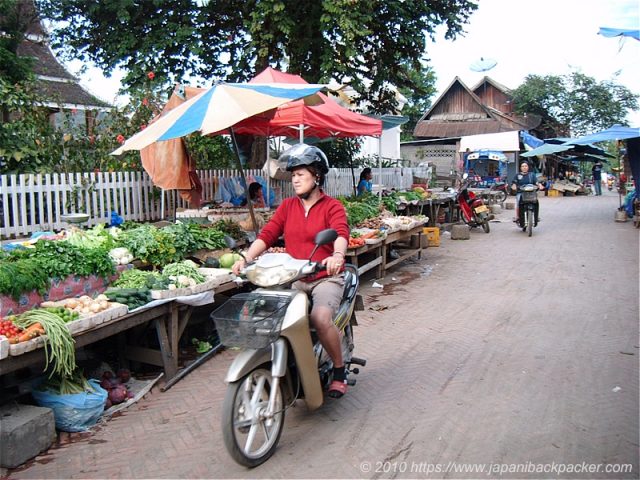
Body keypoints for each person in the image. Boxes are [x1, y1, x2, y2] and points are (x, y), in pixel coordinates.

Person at [232, 143, 351, 398]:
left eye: (300, 174)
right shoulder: (287, 207)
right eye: (293, 175)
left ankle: (339, 370)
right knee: (270, 316)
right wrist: (246, 257)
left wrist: (337, 255)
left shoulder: (332, 206)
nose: (295, 180)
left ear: (316, 176)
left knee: (319, 318)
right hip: (295, 277)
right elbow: (267, 235)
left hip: (324, 277)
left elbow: (340, 233)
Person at [510, 161, 544, 227]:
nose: (524, 167)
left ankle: (536, 216)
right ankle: (517, 216)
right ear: (520, 168)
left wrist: (540, 185)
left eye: (525, 166)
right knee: (518, 204)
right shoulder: (517, 175)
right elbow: (514, 183)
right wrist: (514, 186)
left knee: (535, 202)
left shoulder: (532, 175)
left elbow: (536, 182)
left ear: (528, 167)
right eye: (522, 166)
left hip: (531, 193)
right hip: (521, 192)